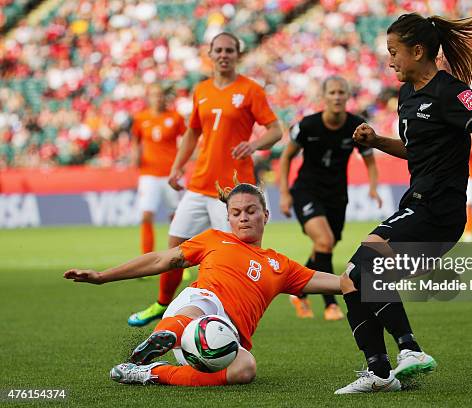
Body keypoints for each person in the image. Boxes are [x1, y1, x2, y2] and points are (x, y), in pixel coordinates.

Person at [334, 13, 472, 394]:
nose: (390, 60)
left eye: (394, 52)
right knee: (352, 278)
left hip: (439, 210)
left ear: (418, 51)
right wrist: (378, 141)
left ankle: (410, 349)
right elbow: (415, 150)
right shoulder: (406, 95)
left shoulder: (451, 91)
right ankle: (379, 371)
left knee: (367, 262)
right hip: (416, 203)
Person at [64, 182, 341, 387]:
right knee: (202, 306)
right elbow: (162, 259)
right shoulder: (213, 239)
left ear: (265, 216)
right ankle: (161, 338)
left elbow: (332, 282)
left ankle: (150, 372)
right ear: (229, 218)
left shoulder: (280, 265)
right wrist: (102, 277)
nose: (243, 217)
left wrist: (374, 282)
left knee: (245, 370)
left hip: (222, 340)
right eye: (236, 212)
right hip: (197, 309)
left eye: (251, 211)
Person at [127, 32, 282, 327]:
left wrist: (256, 144)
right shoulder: (201, 90)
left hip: (233, 192)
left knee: (229, 260)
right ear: (210, 55)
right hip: (199, 184)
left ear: (237, 55)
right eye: (219, 50)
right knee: (174, 248)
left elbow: (276, 130)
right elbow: (193, 133)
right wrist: (176, 167)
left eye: (229, 50)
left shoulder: (250, 90)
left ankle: (228, 320)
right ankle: (162, 304)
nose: (224, 55)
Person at [279, 75, 382, 321]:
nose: (337, 97)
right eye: (332, 92)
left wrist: (374, 187)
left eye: (341, 92)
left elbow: (369, 159)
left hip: (337, 195)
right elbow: (285, 158)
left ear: (347, 96)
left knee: (324, 246)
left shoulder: (357, 126)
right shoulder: (307, 125)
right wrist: (284, 193)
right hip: (306, 190)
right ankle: (331, 304)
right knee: (324, 241)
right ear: (324, 97)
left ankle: (297, 291)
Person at [131, 84, 185, 255]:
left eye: (160, 95)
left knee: (176, 218)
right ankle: (146, 260)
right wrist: (135, 156)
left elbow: (186, 140)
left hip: (171, 173)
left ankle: (177, 262)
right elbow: (136, 140)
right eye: (154, 95)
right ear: (149, 98)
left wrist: (182, 164)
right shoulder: (141, 118)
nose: (158, 98)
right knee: (146, 215)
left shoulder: (175, 117)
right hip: (149, 174)